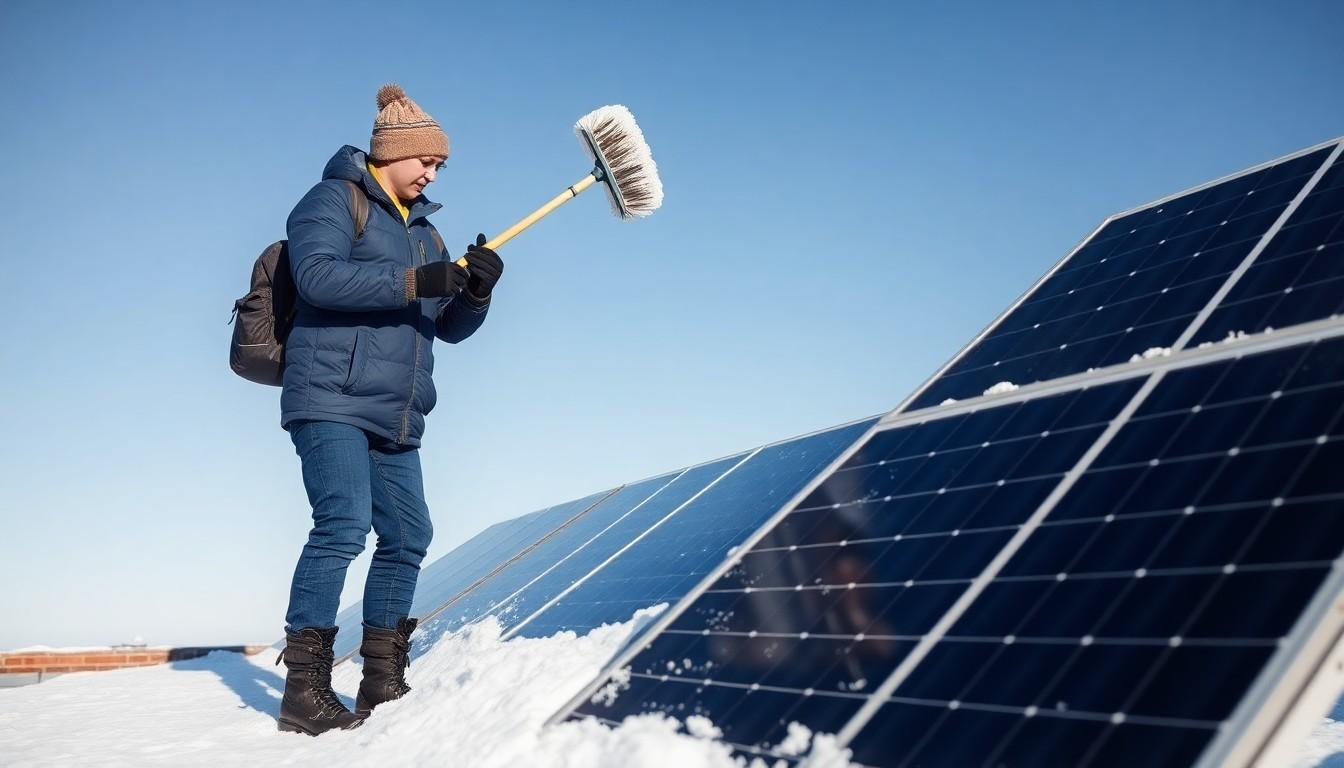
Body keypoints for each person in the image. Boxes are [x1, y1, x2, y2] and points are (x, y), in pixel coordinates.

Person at [272, 83, 504, 736]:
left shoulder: (428, 235)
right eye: (424, 160)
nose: (431, 172)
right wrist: (412, 282)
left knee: (408, 536)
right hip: (331, 397)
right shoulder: (333, 200)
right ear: (389, 153)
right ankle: (304, 690)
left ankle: (382, 678)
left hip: (397, 413)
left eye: (440, 165)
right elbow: (317, 276)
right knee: (343, 525)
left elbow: (447, 326)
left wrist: (476, 292)